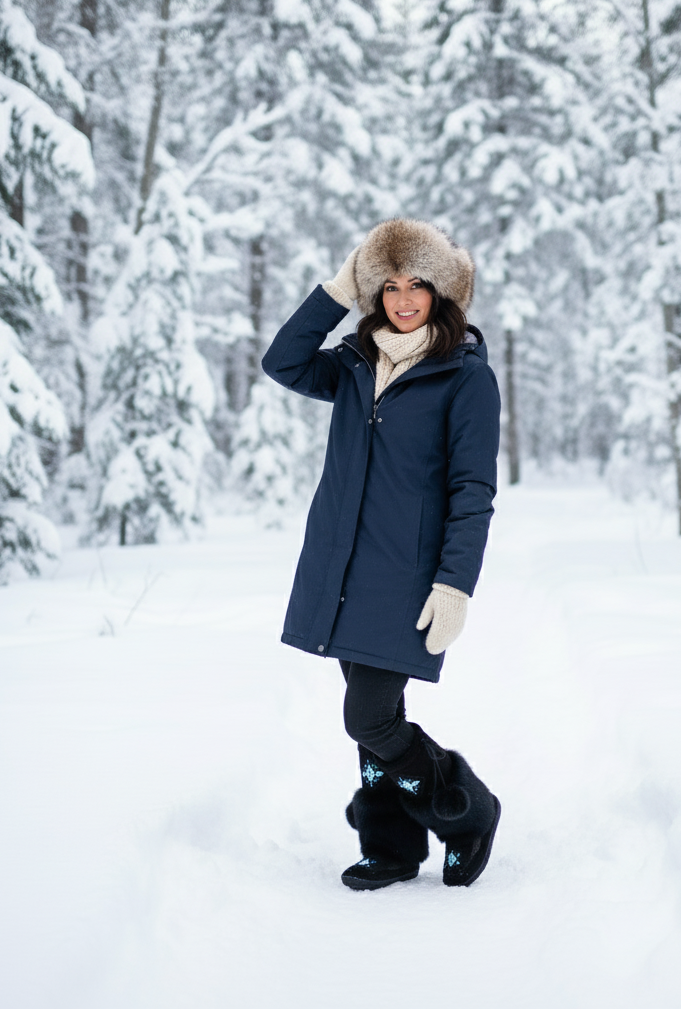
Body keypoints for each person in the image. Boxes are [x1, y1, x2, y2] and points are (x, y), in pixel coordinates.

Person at [261, 218, 502, 890]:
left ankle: (468, 811)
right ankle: (390, 845)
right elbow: (282, 361)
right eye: (388, 285)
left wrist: (454, 584)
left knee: (367, 716)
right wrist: (338, 290)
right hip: (340, 571)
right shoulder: (352, 364)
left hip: (408, 579)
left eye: (417, 284)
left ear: (441, 291)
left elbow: (472, 490)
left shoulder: (464, 378)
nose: (401, 299)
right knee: (375, 723)